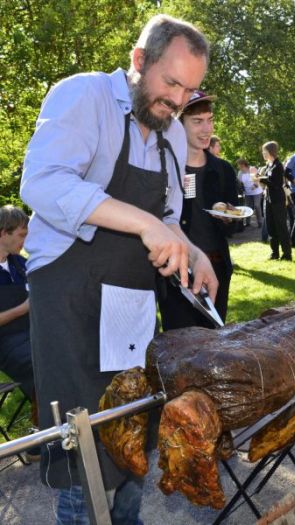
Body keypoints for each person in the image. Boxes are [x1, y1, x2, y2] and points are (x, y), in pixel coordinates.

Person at [20, 15, 216, 524]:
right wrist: (145, 224)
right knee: (84, 447)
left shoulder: (172, 133)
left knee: (132, 433)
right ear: (138, 60)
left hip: (129, 297)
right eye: (171, 83)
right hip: (70, 295)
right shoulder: (82, 97)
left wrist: (193, 253)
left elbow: (168, 218)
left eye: (190, 89)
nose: (178, 102)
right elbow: (41, 183)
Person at [157, 91, 239, 330]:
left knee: (214, 339)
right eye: (197, 121)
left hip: (216, 268)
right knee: (178, 344)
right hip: (176, 272)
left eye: (210, 120)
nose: (206, 129)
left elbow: (234, 226)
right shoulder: (164, 166)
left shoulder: (223, 170)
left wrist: (229, 219)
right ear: (179, 124)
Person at [0, 206, 34, 401]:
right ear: (4, 233)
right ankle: (51, 420)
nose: (25, 241)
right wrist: (23, 309)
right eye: (22, 235)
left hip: (33, 332)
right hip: (6, 343)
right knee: (41, 362)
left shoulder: (21, 264)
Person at [260, 141, 292, 261]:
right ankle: (274, 253)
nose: (263, 153)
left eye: (265, 151)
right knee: (271, 227)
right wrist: (261, 179)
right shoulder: (269, 165)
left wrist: (262, 180)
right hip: (268, 200)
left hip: (278, 201)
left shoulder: (278, 166)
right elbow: (268, 181)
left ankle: (287, 254)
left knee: (281, 227)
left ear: (271, 152)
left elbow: (277, 184)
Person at [237, 159, 264, 228]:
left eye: (240, 165)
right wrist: (240, 189)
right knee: (248, 207)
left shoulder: (252, 169)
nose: (239, 167)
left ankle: (260, 222)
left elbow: (258, 178)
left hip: (256, 191)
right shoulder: (240, 173)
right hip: (247, 193)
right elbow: (239, 183)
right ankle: (247, 222)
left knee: (257, 206)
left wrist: (255, 185)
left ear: (244, 165)